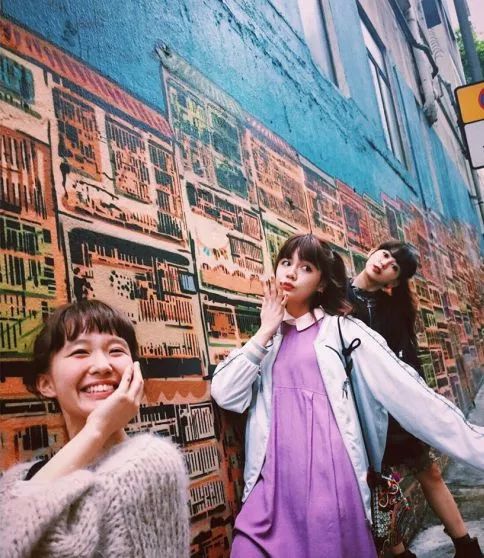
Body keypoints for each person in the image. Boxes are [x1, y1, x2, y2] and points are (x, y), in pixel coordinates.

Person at [210, 233, 484, 558]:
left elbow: (411, 393)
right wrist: (264, 332)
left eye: (306, 267)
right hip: (274, 487)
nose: (291, 272)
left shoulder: (341, 330)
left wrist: (475, 446)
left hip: (331, 485)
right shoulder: (269, 339)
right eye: (285, 262)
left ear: (322, 283)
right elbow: (226, 394)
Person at [0, 300, 189, 558]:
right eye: (80, 352)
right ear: (46, 384)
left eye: (116, 350)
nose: (102, 365)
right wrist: (96, 431)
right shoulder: (18, 478)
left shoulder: (152, 462)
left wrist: (98, 428)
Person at [349, 241, 482, 558]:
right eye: (385, 255)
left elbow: (408, 363)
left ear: (394, 281)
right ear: (374, 252)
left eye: (394, 266)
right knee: (378, 486)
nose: (384, 263)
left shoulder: (393, 311)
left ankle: (466, 546)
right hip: (359, 408)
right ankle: (399, 553)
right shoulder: (338, 296)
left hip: (396, 408)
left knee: (429, 471)